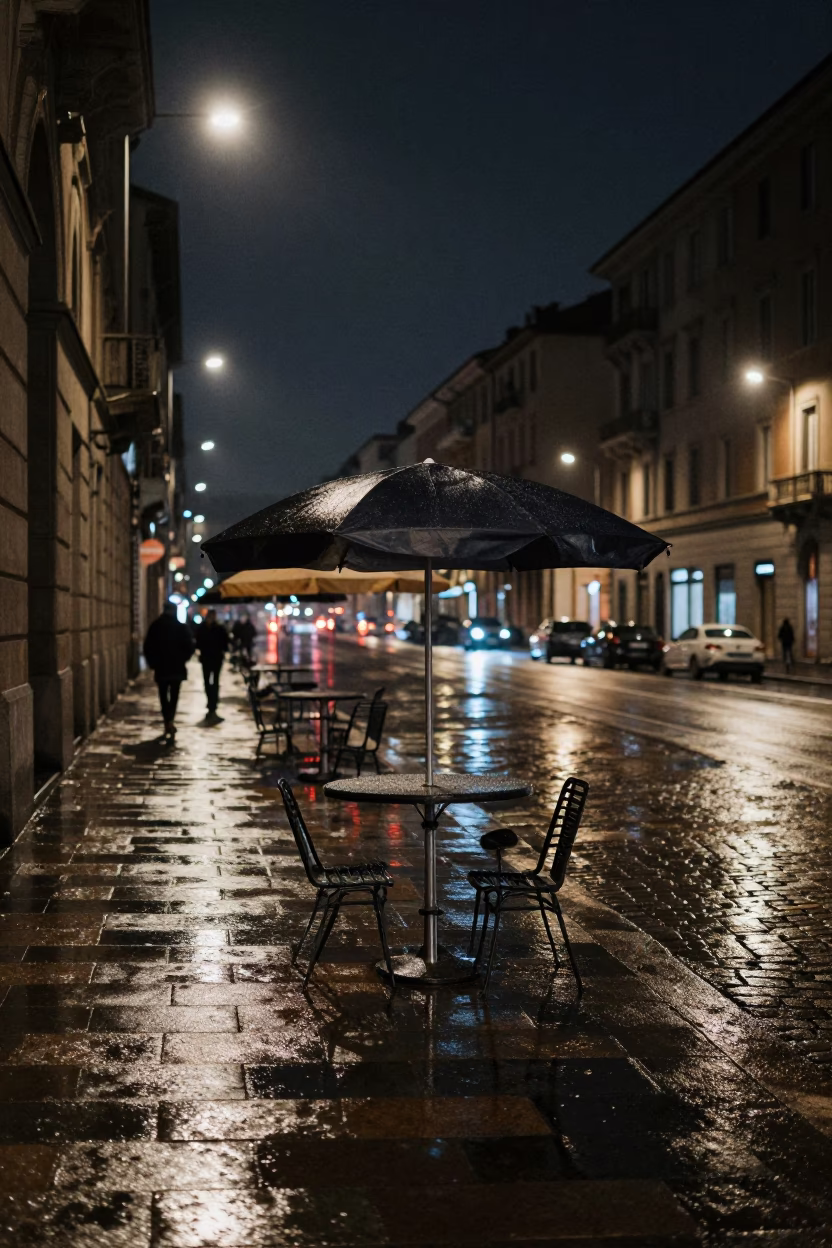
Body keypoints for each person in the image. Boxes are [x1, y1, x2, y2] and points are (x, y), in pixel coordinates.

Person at [143, 603, 195, 739]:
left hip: (162, 667)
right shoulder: (181, 627)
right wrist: (183, 659)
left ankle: (167, 720)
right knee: (174, 696)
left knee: (163, 695)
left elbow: (148, 646)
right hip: (177, 667)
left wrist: (153, 663)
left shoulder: (155, 626)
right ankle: (170, 719)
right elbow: (190, 646)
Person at [195, 609, 229, 722]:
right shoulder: (206, 628)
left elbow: (225, 643)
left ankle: (212, 704)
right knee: (208, 682)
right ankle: (211, 702)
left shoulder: (217, 629)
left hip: (214, 659)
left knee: (214, 682)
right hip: (208, 659)